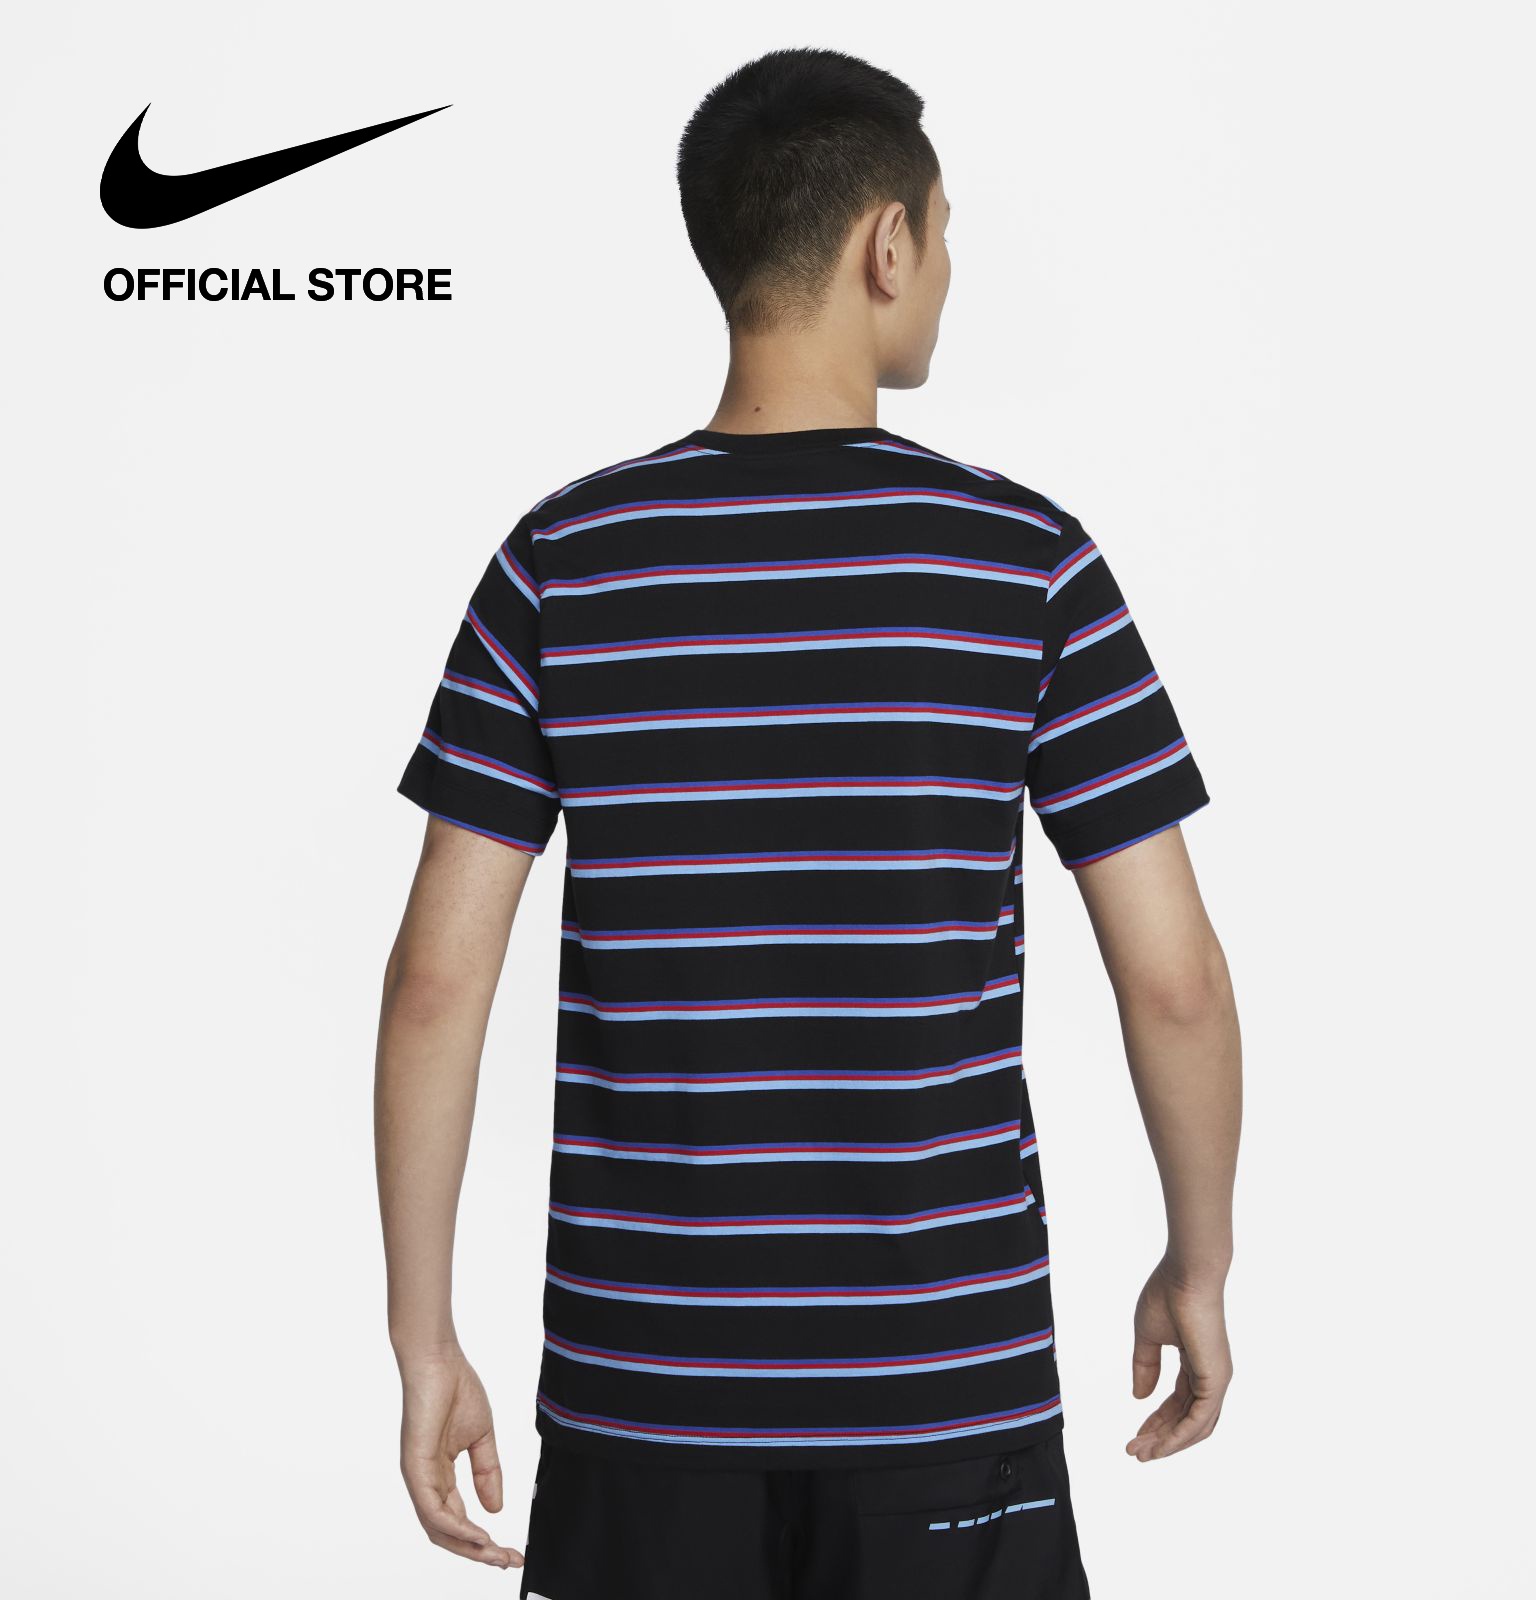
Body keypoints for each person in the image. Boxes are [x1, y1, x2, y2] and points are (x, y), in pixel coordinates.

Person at [375, 46, 1241, 1600]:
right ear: (886, 244)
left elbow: (437, 982)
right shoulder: (1023, 562)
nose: (948, 268)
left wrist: (423, 1335)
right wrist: (1201, 1255)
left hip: (644, 1391)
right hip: (945, 1380)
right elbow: (1171, 980)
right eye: (946, 232)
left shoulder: (564, 560)